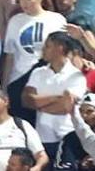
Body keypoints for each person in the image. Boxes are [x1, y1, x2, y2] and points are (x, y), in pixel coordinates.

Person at [22, 30, 86, 160]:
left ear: (60, 48)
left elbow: (65, 107)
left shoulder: (76, 76)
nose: (43, 50)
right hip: (42, 137)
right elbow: (27, 100)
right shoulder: (38, 73)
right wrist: (56, 98)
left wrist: (39, 104)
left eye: (47, 46)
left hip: (67, 135)